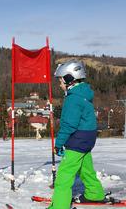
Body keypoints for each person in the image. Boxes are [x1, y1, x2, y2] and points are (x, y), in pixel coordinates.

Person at [48, 60, 105, 209]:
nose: (59, 84)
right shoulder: (83, 94)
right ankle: (95, 193)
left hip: (77, 140)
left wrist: (59, 143)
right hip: (88, 138)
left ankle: (59, 206)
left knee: (64, 177)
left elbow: (68, 125)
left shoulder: (72, 99)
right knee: (85, 168)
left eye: (60, 80)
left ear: (69, 79)